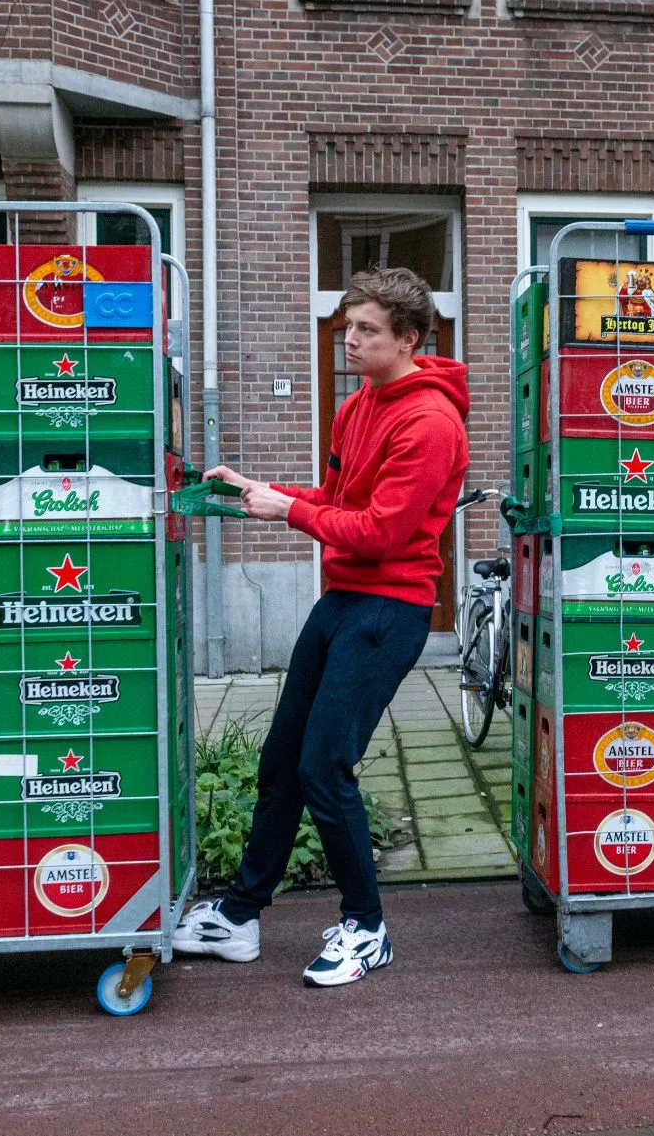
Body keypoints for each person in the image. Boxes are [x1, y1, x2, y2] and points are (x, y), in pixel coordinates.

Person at [175, 266, 469, 985]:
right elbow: (337, 499)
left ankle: (367, 928)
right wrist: (264, 491)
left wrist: (291, 511)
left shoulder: (430, 422)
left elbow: (381, 531)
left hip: (390, 607)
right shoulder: (354, 407)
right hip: (341, 599)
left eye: (367, 329)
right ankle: (239, 916)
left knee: (323, 766)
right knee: (281, 761)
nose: (351, 339)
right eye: (348, 327)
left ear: (407, 338)